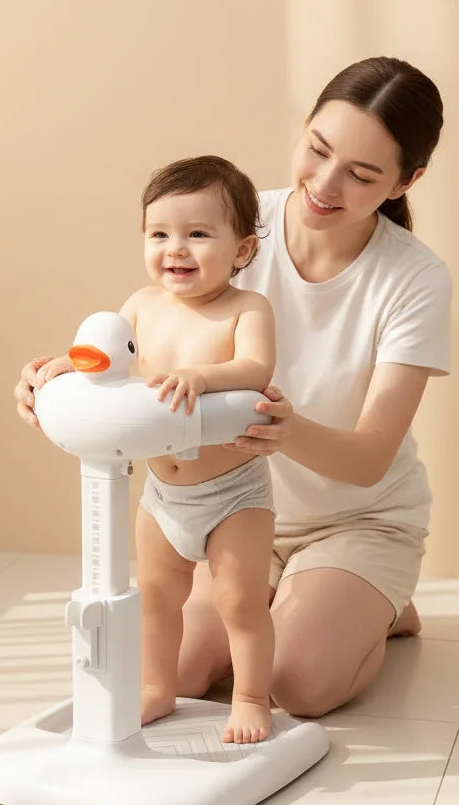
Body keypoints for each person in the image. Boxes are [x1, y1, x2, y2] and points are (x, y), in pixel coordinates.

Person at [16, 56, 450, 722]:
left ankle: (375, 606)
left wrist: (285, 428)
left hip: (356, 518)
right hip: (226, 509)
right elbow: (155, 340)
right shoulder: (235, 221)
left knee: (295, 684)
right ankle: (316, 604)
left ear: (406, 181)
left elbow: (368, 461)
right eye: (317, 150)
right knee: (181, 673)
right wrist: (67, 377)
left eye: (362, 174)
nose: (325, 184)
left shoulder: (413, 278)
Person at [36, 155, 278, 743]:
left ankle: (250, 697)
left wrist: (203, 375)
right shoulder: (140, 306)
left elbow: (255, 367)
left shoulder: (247, 309)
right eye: (160, 233)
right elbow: (110, 361)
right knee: (156, 599)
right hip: (163, 493)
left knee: (238, 600)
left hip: (233, 494)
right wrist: (67, 365)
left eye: (198, 234)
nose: (177, 249)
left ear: (243, 250)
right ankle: (155, 687)